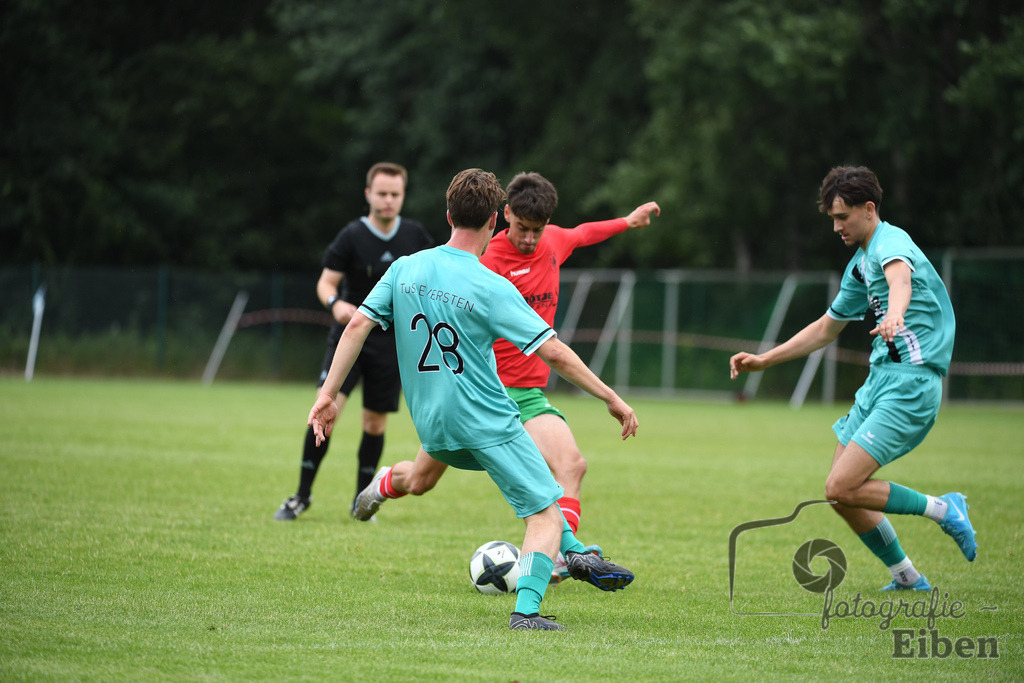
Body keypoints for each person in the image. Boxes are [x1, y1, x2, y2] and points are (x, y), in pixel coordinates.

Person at [308, 168, 639, 630]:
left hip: (432, 422)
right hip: (488, 422)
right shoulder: (491, 286)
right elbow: (554, 352)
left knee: (421, 481)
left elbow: (359, 325)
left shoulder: (404, 267)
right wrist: (611, 398)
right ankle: (528, 612)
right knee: (544, 512)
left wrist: (327, 395)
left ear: (448, 215)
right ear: (493, 224)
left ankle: (577, 555)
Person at [729, 165, 977, 591]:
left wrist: (896, 312)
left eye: (842, 217)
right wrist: (765, 361)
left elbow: (901, 278)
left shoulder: (890, 243)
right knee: (839, 493)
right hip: (881, 379)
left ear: (869, 209)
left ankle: (945, 509)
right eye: (832, 219)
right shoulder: (861, 265)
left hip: (911, 383)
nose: (836, 227)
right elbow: (826, 327)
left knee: (842, 484)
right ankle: (908, 577)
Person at [274, 162, 434, 521]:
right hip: (350, 338)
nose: (388, 200)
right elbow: (325, 283)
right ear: (368, 195)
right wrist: (336, 304)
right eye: (382, 193)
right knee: (325, 411)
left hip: (392, 344)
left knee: (375, 424)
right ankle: (301, 496)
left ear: (403, 196)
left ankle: (359, 501)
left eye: (395, 194)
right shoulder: (351, 235)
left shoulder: (415, 236)